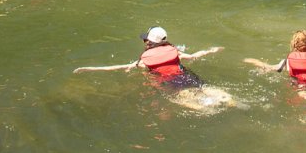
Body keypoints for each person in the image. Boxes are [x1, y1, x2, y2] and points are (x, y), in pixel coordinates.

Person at [74, 27, 236, 112]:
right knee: (210, 90)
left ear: (148, 42)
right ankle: (232, 102)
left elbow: (118, 67)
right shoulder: (175, 51)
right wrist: (212, 50)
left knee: (197, 105)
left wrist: (89, 69)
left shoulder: (145, 61)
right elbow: (194, 56)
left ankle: (213, 110)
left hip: (173, 84)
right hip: (189, 76)